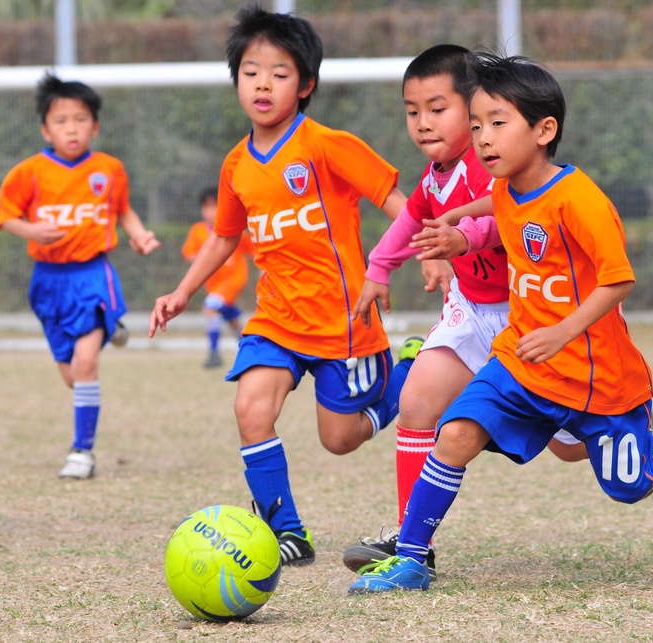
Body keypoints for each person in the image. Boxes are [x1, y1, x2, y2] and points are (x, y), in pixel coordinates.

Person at [348, 52, 653, 594]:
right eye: (476, 125)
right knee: (455, 433)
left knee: (630, 485)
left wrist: (564, 331)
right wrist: (459, 221)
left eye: (497, 123)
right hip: (520, 359)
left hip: (593, 375)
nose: (482, 138)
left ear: (545, 130)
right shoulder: (504, 188)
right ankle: (410, 560)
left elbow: (618, 280)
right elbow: (498, 212)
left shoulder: (581, 201)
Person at [149, 4, 423, 567]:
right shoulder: (235, 166)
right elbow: (225, 237)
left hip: (342, 322)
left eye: (279, 72)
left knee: (340, 439)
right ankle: (286, 532)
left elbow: (399, 203)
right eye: (251, 72)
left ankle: (408, 374)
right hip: (275, 320)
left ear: (306, 85)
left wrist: (424, 252)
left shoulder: (326, 144)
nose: (263, 84)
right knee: (250, 408)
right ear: (237, 82)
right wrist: (181, 293)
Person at [342, 44, 587, 581]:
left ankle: (637, 423)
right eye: (412, 111)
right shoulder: (434, 176)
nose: (423, 123)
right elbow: (410, 219)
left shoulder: (498, 162)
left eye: (438, 108)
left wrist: (461, 236)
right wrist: (378, 268)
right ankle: (412, 546)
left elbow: (506, 217)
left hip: (531, 317)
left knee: (572, 450)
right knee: (417, 403)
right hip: (472, 312)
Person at [0, 72, 160, 480]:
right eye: (62, 120)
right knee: (73, 376)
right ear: (45, 130)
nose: (72, 128)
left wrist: (138, 235)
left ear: (95, 126)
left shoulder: (108, 169)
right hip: (48, 283)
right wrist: (33, 231)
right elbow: (5, 218)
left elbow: (123, 210)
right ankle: (110, 329)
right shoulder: (29, 172)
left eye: (81, 119)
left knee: (86, 365)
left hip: (92, 274)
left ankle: (81, 453)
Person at [181, 186, 255, 369]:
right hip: (213, 283)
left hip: (234, 278)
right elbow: (188, 253)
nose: (209, 212)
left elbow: (254, 249)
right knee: (228, 315)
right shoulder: (197, 230)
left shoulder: (234, 229)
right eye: (206, 207)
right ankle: (248, 345)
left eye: (214, 207)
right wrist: (206, 260)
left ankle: (214, 354)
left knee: (211, 307)